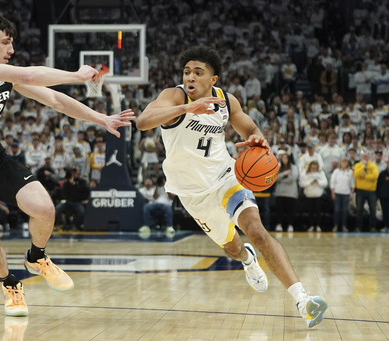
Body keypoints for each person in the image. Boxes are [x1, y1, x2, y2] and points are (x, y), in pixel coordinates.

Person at [0, 10, 134, 317]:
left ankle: (36, 257)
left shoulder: (2, 77)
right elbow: (26, 75)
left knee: (44, 208)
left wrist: (101, 118)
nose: (11, 50)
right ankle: (10, 283)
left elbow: (54, 101)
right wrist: (76, 75)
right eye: (6, 43)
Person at [136, 46, 328, 328]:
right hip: (192, 194)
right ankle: (248, 261)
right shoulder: (174, 96)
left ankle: (304, 300)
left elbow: (251, 130)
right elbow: (142, 122)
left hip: (226, 177)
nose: (190, 77)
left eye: (198, 72)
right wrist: (187, 108)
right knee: (233, 247)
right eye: (187, 71)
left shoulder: (226, 100)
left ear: (213, 80)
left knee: (258, 232)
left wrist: (258, 139)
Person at [353, 152, 379, 232]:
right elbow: (356, 174)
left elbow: (375, 176)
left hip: (371, 191)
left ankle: (372, 227)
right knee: (359, 209)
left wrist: (364, 176)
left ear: (369, 157)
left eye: (366, 156)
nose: (365, 158)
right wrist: (363, 166)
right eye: (363, 156)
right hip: (360, 191)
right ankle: (358, 227)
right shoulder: (357, 165)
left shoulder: (373, 165)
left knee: (373, 209)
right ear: (361, 157)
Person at [299, 161, 328, 232]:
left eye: (315, 168)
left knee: (318, 211)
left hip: (318, 195)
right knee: (310, 212)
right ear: (310, 167)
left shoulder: (321, 173)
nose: (313, 169)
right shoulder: (305, 173)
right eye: (312, 167)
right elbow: (301, 183)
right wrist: (310, 183)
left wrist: (318, 182)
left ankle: (318, 226)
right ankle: (311, 226)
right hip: (309, 195)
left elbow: (325, 183)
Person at [274, 151, 299, 232]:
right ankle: (279, 224)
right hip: (280, 193)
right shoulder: (278, 167)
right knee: (279, 210)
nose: (284, 159)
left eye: (286, 157)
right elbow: (275, 178)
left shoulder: (294, 167)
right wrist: (284, 174)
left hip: (291, 193)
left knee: (291, 211)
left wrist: (281, 180)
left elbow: (293, 178)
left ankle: (290, 225)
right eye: (283, 158)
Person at [330, 158, 355, 232]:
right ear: (340, 163)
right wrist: (332, 193)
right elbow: (332, 183)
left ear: (348, 163)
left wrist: (351, 194)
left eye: (345, 162)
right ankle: (336, 225)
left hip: (346, 194)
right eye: (342, 162)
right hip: (337, 193)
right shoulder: (336, 171)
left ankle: (344, 226)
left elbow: (352, 184)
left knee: (344, 210)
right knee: (337, 210)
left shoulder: (350, 172)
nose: (344, 163)